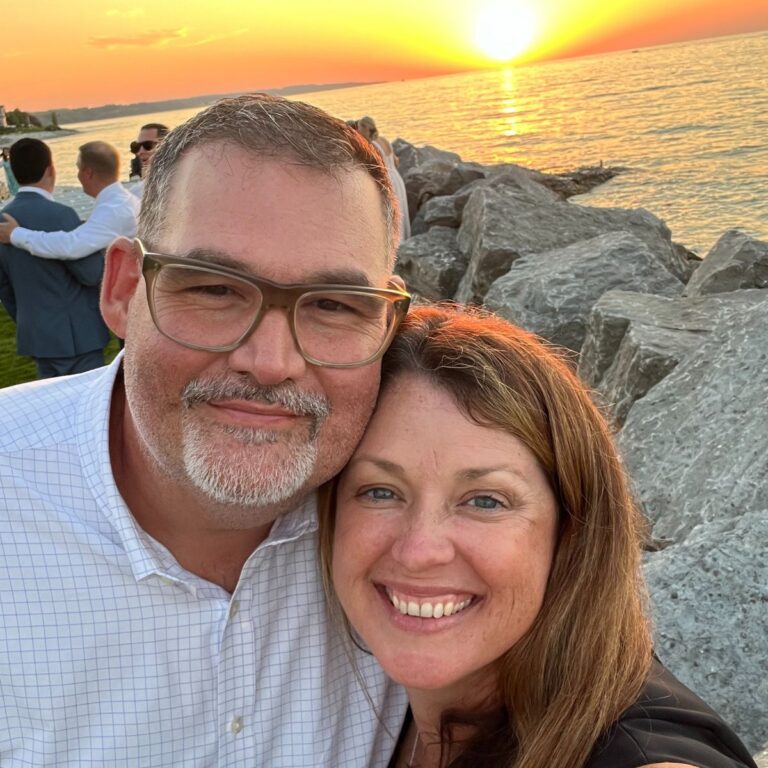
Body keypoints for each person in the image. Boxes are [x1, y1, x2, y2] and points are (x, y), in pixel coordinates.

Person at [0, 94, 410, 767]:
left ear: (386, 326)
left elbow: (579, 649)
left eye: (334, 305)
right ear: (124, 290)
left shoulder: (412, 487)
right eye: (215, 289)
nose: (272, 363)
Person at [322, 304, 758, 768]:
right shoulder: (377, 705)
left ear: (572, 531)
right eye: (380, 492)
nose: (419, 551)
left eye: (485, 501)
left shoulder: (638, 753)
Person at [0, 138, 109, 377]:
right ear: (51, 169)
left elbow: (4, 288)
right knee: (89, 406)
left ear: (15, 172)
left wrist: (28, 318)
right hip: (77, 333)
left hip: (37, 335)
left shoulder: (2, 220)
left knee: (53, 408)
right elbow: (91, 274)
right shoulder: (62, 215)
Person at [0, 140, 140, 259]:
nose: (78, 175)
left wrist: (15, 234)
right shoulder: (124, 201)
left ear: (88, 173)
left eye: (78, 169)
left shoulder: (112, 210)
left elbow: (71, 246)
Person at [356, 116, 411, 242]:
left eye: (359, 128)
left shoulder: (372, 145)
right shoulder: (384, 140)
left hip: (388, 181)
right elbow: (396, 161)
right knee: (400, 211)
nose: (358, 131)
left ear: (366, 128)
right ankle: (403, 242)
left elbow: (376, 169)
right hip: (397, 178)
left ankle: (395, 245)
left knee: (390, 215)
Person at [129, 121, 169, 197]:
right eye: (137, 146)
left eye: (148, 145)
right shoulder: (135, 193)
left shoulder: (183, 182)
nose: (140, 152)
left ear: (166, 146)